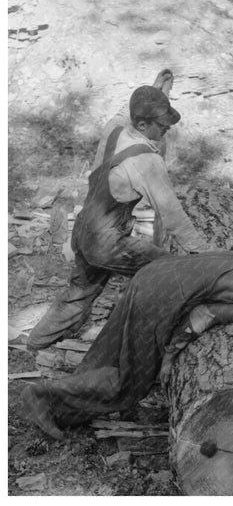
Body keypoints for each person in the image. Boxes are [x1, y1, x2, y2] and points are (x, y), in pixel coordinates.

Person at [21, 252, 233, 440]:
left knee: (112, 350)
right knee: (131, 381)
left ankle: (61, 408)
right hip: (159, 298)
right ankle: (43, 394)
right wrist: (169, 358)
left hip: (152, 275)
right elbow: (203, 314)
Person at [27, 70, 210, 352]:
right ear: (142, 123)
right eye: (161, 126)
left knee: (79, 293)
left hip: (84, 229)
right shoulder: (146, 161)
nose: (167, 131)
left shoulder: (116, 127)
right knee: (169, 271)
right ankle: (159, 341)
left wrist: (157, 93)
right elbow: (173, 216)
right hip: (108, 243)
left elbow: (133, 113)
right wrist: (204, 253)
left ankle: (37, 342)